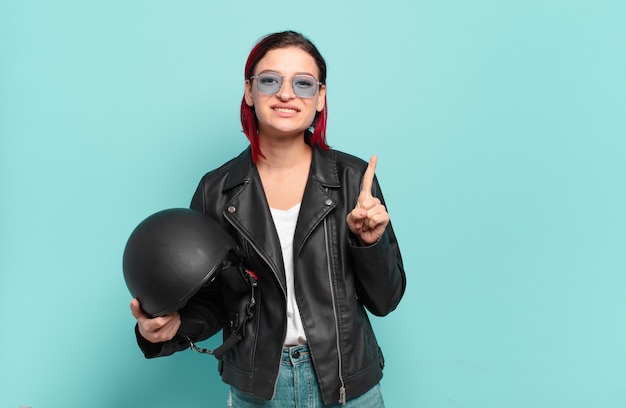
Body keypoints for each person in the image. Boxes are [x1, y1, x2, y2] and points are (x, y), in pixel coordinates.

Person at [130, 30, 406, 407]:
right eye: (270, 80)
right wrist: (172, 328)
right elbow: (213, 302)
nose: (286, 93)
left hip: (347, 386)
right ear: (249, 91)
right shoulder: (217, 190)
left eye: (303, 83)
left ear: (320, 98)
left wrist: (369, 243)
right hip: (259, 389)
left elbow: (385, 301)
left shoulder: (353, 180)